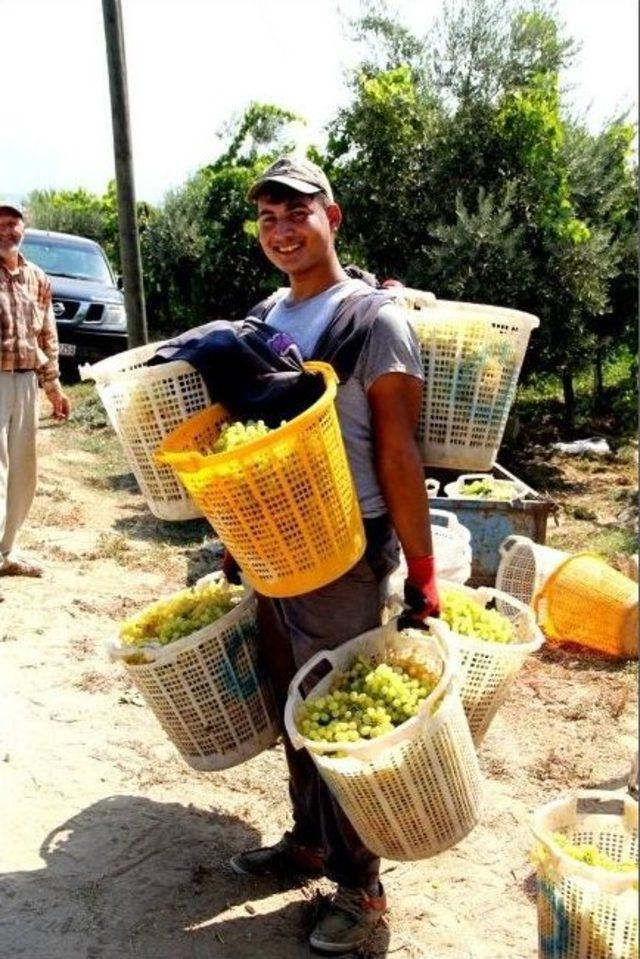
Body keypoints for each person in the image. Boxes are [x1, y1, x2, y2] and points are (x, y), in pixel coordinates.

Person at [228, 156, 440, 954]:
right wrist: (233, 540)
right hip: (274, 549)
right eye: (268, 218)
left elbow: (398, 455)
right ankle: (308, 842)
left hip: (348, 550)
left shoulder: (374, 319)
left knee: (344, 728)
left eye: (297, 213)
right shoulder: (265, 316)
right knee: (292, 705)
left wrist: (422, 575)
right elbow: (245, 445)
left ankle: (362, 888)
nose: (282, 230)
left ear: (333, 217)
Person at [0, 200, 70, 578]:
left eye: (13, 224)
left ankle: (7, 553)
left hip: (27, 379)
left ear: (23, 228)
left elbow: (47, 333)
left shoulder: (38, 277)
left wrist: (53, 387)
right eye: (0, 225)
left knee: (23, 473)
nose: (7, 231)